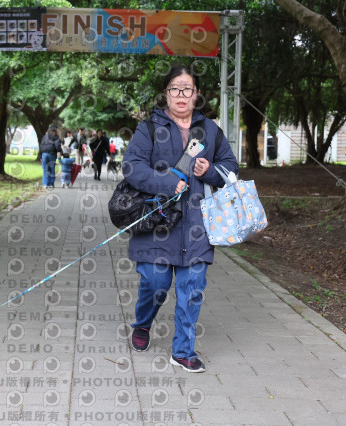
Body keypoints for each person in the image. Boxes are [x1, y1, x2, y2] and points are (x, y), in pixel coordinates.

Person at [122, 64, 238, 373]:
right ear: (166, 93)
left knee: (192, 290)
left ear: (196, 94)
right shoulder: (148, 128)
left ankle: (183, 351)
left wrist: (210, 171)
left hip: (197, 226)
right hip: (157, 223)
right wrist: (165, 182)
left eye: (187, 88)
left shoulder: (210, 131)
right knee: (156, 283)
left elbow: (230, 166)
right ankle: (143, 322)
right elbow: (132, 166)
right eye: (175, 88)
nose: (181, 94)